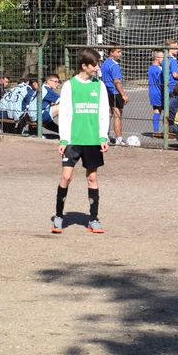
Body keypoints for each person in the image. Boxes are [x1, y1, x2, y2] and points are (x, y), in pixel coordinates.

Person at [51, 48, 110, 234]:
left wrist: (103, 136)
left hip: (92, 140)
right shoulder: (69, 86)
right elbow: (65, 113)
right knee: (66, 177)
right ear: (84, 66)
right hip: (73, 140)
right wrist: (64, 139)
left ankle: (93, 219)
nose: (97, 68)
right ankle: (59, 216)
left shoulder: (99, 86)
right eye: (95, 64)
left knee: (92, 178)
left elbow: (103, 112)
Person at [101, 47, 128, 146]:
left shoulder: (104, 64)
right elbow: (117, 81)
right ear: (111, 53)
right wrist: (123, 94)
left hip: (106, 92)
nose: (120, 54)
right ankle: (119, 139)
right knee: (117, 115)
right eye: (118, 52)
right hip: (115, 92)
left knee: (108, 115)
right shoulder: (114, 65)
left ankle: (105, 137)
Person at [147, 50, 165, 134]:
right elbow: (162, 81)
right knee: (167, 111)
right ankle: (166, 131)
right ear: (157, 58)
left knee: (157, 110)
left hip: (152, 92)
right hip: (159, 93)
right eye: (163, 58)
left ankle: (156, 131)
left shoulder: (151, 68)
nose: (164, 60)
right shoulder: (159, 69)